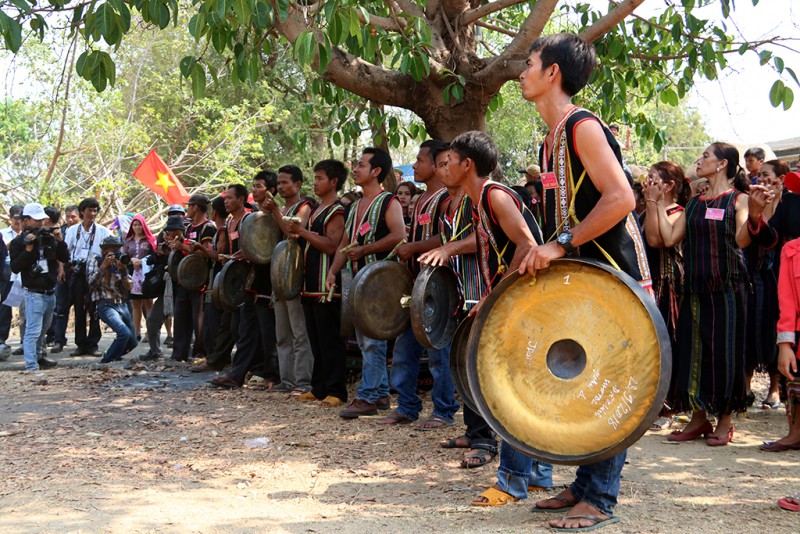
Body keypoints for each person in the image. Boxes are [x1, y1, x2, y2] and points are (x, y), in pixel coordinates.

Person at [518, 33, 653, 531]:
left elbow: (622, 199)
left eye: (530, 63)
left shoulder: (582, 126)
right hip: (585, 277)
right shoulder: (549, 139)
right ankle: (582, 484)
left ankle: (599, 498)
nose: (522, 71)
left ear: (553, 72)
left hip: (616, 275)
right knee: (586, 382)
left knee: (613, 386)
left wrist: (561, 244)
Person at [660, 143, 754, 448]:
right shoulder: (695, 203)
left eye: (705, 157)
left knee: (726, 354)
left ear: (722, 164)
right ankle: (698, 418)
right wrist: (655, 203)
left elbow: (742, 240)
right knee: (692, 352)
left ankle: (725, 420)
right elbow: (670, 237)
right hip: (695, 289)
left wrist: (758, 212)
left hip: (728, 289)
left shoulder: (739, 200)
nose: (699, 161)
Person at [419, 143, 498, 468]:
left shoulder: (479, 199)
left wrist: (449, 249)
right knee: (462, 368)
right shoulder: (446, 203)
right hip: (461, 294)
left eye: (447, 162)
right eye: (439, 164)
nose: (443, 169)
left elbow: (486, 237)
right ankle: (472, 430)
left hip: (483, 292)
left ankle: (486, 441)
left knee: (480, 370)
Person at [379, 139, 459, 430]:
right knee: (404, 349)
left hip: (437, 287)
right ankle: (407, 406)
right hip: (415, 285)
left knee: (438, 352)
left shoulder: (446, 199)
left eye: (420, 160)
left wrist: (413, 248)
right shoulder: (423, 198)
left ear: (439, 165)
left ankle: (444, 410)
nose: (414, 165)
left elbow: (447, 240)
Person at [326, 147, 406, 418]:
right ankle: (380, 392)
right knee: (364, 340)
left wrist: (366, 249)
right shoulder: (352, 206)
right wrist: (333, 272)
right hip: (356, 280)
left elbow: (398, 235)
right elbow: (345, 243)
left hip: (379, 282)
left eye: (361, 165)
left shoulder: (388, 202)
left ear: (376, 172)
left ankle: (368, 396)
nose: (356, 169)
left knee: (372, 340)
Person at [287, 159, 349, 407]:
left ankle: (337, 390)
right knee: (315, 338)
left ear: (334, 182)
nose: (315, 182)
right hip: (310, 284)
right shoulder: (314, 210)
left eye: (320, 178)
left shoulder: (337, 210)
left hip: (327, 285)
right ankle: (319, 386)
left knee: (329, 339)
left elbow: (332, 245)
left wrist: (303, 233)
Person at [209, 179, 280, 388]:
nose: (226, 201)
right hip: (243, 282)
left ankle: (270, 374)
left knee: (265, 330)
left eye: (230, 197)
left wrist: (249, 254)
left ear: (241, 199)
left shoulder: (255, 218)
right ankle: (239, 373)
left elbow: (266, 248)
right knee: (244, 329)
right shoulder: (231, 222)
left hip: (263, 280)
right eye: (225, 198)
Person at [641, 161, 691, 428]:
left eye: (653, 178)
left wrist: (653, 203)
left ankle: (669, 407)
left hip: (669, 286)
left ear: (670, 185)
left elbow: (656, 240)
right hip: (648, 284)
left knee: (668, 344)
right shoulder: (646, 208)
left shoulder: (680, 212)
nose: (647, 182)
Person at [261, 165, 315, 394]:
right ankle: (288, 379)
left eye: (285, 183)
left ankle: (303, 381)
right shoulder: (282, 207)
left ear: (298, 184)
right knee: (282, 333)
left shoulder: (305, 206)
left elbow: (293, 232)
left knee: (299, 332)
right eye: (279, 183)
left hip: (296, 275)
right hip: (279, 274)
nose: (281, 187)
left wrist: (274, 211)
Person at [9, 203, 68, 371]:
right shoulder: (18, 243)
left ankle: (40, 357)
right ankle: (31, 365)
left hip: (50, 291)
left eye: (42, 220)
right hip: (34, 293)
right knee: (33, 331)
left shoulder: (48, 238)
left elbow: (64, 257)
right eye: (37, 220)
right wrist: (28, 249)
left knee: (43, 330)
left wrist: (59, 241)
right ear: (26, 221)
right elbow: (15, 267)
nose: (41, 223)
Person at [764, 233, 800, 452]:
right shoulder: (792, 250)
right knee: (794, 382)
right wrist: (784, 344)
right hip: (797, 333)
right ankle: (795, 434)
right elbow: (786, 301)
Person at [170, 194, 215, 362]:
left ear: (195, 208)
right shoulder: (188, 228)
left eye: (189, 206)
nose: (187, 210)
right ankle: (179, 353)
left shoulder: (208, 228)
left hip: (199, 281)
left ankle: (200, 352)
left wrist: (183, 247)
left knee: (199, 319)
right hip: (184, 280)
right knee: (181, 317)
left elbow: (205, 252)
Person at [192, 195, 234, 373]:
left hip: (218, 282)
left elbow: (220, 255)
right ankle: (215, 357)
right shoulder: (219, 230)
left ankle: (217, 358)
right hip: (215, 281)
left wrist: (201, 249)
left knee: (214, 323)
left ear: (214, 212)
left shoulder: (222, 230)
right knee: (212, 323)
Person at [64, 198, 111, 357]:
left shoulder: (103, 231)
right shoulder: (72, 231)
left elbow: (114, 247)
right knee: (79, 309)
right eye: (89, 210)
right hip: (77, 274)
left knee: (95, 309)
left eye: (95, 211)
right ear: (82, 211)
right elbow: (65, 252)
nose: (92, 214)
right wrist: (63, 269)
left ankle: (93, 344)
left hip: (95, 273)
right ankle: (80, 344)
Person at [86, 236, 137, 364]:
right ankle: (106, 361)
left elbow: (130, 287)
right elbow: (90, 284)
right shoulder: (96, 261)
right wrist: (103, 267)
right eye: (113, 249)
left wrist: (123, 271)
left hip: (122, 304)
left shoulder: (121, 262)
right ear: (105, 250)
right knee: (124, 333)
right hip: (105, 304)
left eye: (118, 249)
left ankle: (114, 355)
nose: (116, 252)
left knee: (133, 341)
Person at [141, 215, 185, 360]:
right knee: (152, 319)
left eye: (174, 231)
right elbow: (152, 261)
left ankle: (185, 353)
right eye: (169, 231)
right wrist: (160, 254)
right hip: (168, 289)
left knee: (183, 323)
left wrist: (177, 249)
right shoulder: (165, 242)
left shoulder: (186, 244)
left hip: (184, 289)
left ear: (181, 230)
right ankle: (155, 351)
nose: (171, 234)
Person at [49, 204, 79, 354]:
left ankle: (84, 343)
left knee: (82, 309)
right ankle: (59, 340)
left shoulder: (84, 231)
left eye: (73, 216)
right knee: (60, 308)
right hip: (64, 274)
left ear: (79, 216)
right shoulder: (60, 231)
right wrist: (61, 269)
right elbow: (59, 253)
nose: (70, 219)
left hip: (80, 275)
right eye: (67, 216)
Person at [123, 214, 156, 342]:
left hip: (147, 275)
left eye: (139, 224)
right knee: (135, 304)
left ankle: (150, 332)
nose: (137, 227)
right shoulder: (128, 241)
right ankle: (136, 332)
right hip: (133, 275)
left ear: (144, 226)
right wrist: (131, 260)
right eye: (135, 225)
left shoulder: (149, 240)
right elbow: (123, 257)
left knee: (148, 303)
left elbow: (154, 256)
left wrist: (142, 262)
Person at [1, 205, 23, 358]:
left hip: (25, 272)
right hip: (7, 272)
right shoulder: (3, 233)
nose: (17, 221)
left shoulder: (30, 233)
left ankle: (26, 341)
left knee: (26, 309)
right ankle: (2, 338)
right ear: (10, 218)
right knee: (5, 307)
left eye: (20, 218)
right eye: (15, 218)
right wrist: (14, 243)